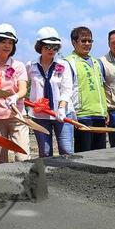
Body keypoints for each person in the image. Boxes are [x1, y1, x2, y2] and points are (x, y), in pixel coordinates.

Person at [0, 24, 29, 163]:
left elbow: (23, 89)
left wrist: (15, 96)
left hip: (17, 116)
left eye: (10, 42)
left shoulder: (18, 65)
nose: (7, 45)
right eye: (3, 42)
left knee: (23, 157)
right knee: (1, 160)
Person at [25, 27, 74, 157]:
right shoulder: (31, 66)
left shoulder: (63, 65)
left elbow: (67, 89)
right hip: (40, 116)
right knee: (45, 152)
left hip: (62, 114)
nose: (52, 50)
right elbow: (22, 85)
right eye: (48, 46)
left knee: (66, 150)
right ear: (39, 46)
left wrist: (61, 108)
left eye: (55, 47)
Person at [66, 26, 108, 152]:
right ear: (74, 42)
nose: (87, 44)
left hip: (99, 115)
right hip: (82, 116)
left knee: (100, 153)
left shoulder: (97, 62)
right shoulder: (68, 62)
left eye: (90, 41)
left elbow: (102, 87)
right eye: (83, 41)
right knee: (85, 154)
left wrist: (105, 111)